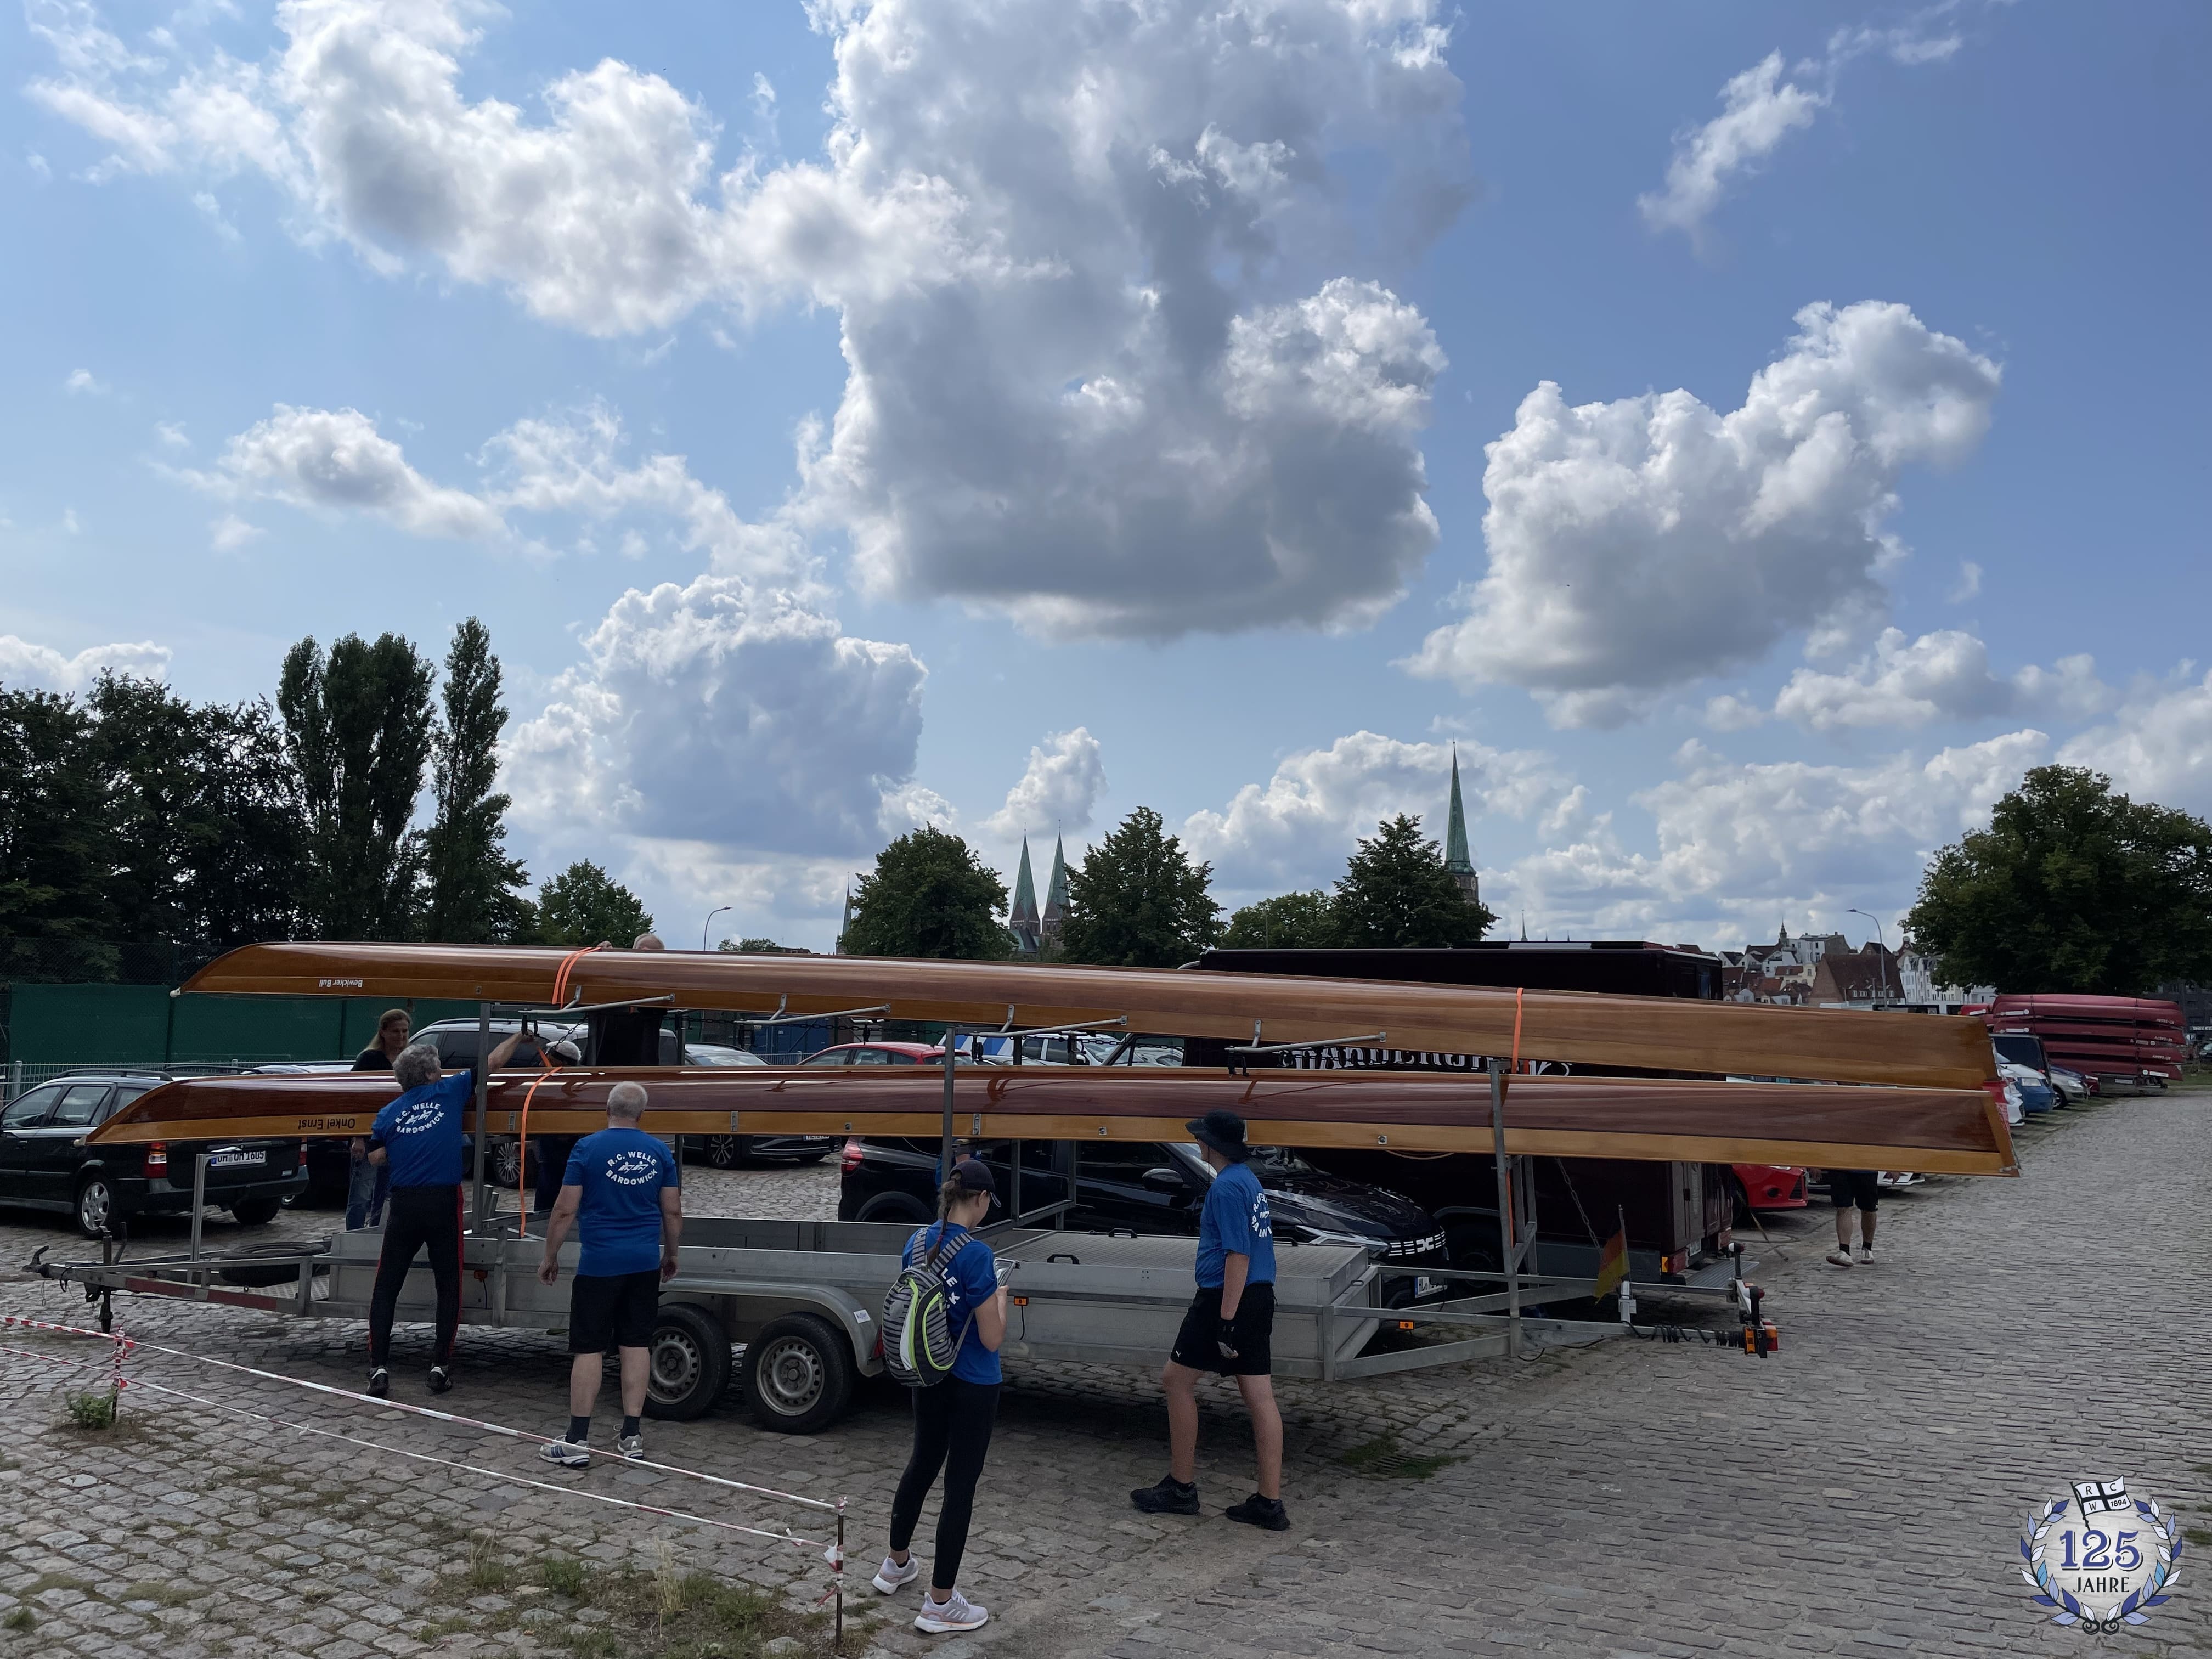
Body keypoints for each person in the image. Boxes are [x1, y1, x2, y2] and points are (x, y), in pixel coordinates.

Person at [1130, 1109, 1287, 1531]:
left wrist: (1225, 1319)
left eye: (1201, 1138)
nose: (1197, 1143)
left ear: (1211, 1145)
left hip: (1225, 1297)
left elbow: (1238, 1254)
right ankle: (1269, 1501)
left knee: (1176, 1381)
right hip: (1260, 1295)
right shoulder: (1249, 1181)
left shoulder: (1225, 1189)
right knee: (1260, 1396)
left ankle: (1181, 1487)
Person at [872, 1159, 1007, 1635]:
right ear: (981, 1200)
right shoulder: (976, 1256)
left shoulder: (916, 1242)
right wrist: (1003, 1300)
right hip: (973, 1381)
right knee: (960, 1486)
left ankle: (895, 1564)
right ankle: (941, 1603)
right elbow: (991, 1339)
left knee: (921, 1464)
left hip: (927, 1374)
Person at [364, 1026, 527, 1397]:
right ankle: (439, 1366)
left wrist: (406, 1144)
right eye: (438, 1068)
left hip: (403, 1204)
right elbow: (495, 1062)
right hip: (442, 1202)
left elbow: (374, 1157)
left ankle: (378, 1368)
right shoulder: (450, 1091)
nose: (442, 1072)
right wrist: (520, 1036)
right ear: (429, 1076)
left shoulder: (388, 1113)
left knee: (386, 1285)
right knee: (449, 1283)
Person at [534, 1081, 683, 1464]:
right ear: (642, 1115)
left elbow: (565, 1210)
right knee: (635, 1344)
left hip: (599, 1264)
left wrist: (550, 1255)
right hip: (643, 1262)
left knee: (589, 1347)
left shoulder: (587, 1148)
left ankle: (577, 1441)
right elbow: (672, 1210)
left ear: (607, 1110)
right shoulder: (660, 1152)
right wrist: (671, 1253)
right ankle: (632, 1435)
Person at [540, 933, 669, 1213]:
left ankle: (624, 1201)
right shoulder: (609, 974)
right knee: (586, 1148)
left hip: (638, 1082)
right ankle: (572, 1206)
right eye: (641, 954)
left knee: (629, 1148)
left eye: (651, 956)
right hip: (598, 1077)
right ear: (631, 953)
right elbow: (582, 983)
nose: (644, 961)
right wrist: (603, 957)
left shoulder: (660, 985)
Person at [346, 1009, 410, 1230]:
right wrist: (358, 1137)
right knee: (361, 1194)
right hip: (370, 1136)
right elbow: (354, 1098)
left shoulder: (409, 1060)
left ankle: (378, 1234)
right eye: (395, 1032)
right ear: (383, 1032)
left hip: (397, 1136)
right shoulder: (369, 1059)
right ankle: (354, 1237)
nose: (401, 1037)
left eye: (404, 1031)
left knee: (387, 1194)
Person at [1826, 1170, 1880, 1267]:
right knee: (1843, 1207)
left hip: (1867, 1169)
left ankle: (1867, 1248)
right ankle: (1844, 1251)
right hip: (1839, 1167)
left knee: (1869, 1209)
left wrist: (1894, 1168)